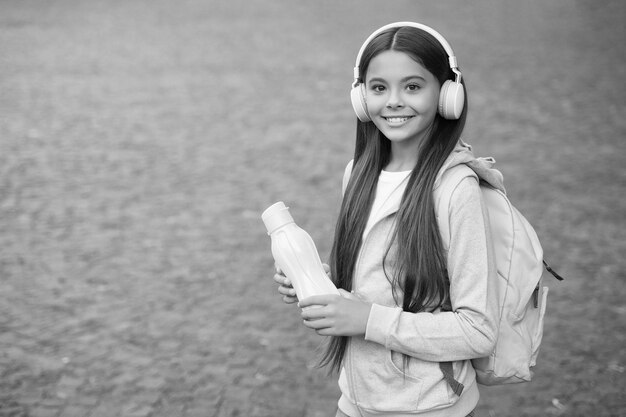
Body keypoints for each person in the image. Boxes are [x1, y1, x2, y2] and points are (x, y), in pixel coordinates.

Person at [273, 21, 500, 417]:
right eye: (379, 88)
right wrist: (318, 284)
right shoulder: (357, 174)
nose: (393, 101)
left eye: (413, 86)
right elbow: (372, 283)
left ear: (448, 95)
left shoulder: (455, 190)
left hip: (430, 406)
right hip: (358, 400)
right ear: (361, 98)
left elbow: (478, 331)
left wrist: (368, 321)